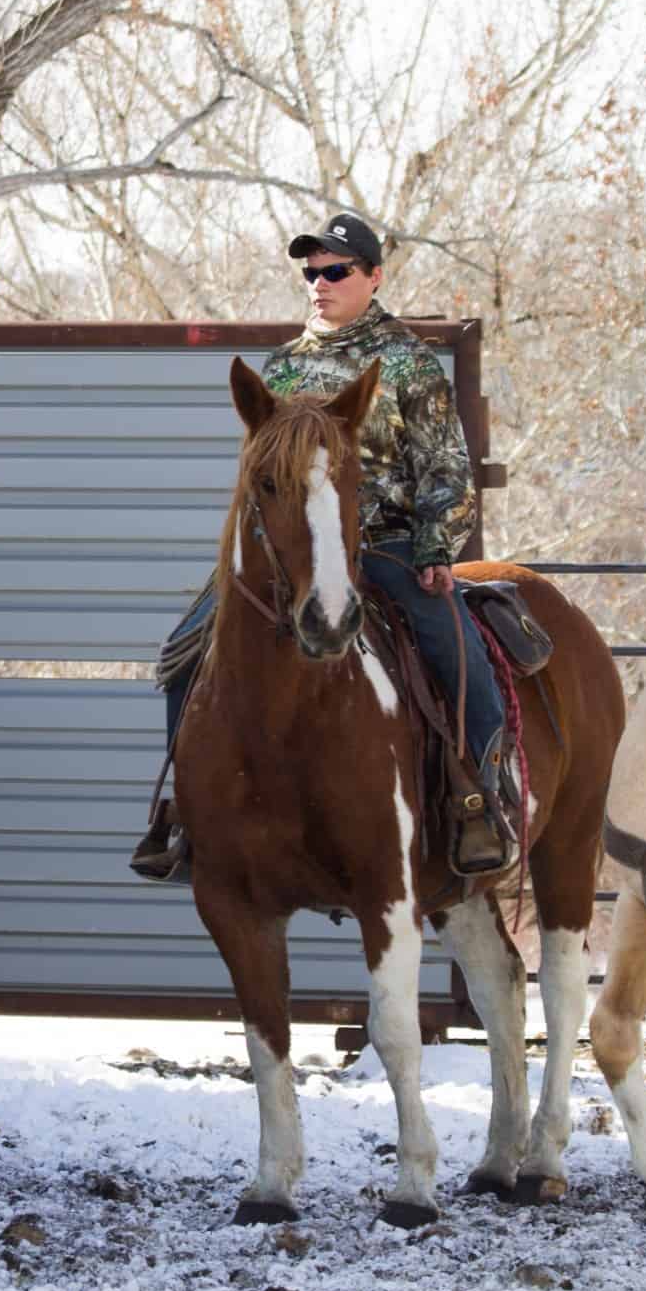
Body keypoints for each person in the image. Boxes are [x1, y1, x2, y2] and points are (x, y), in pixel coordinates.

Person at [130, 211, 513, 883]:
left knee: (457, 646)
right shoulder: (282, 369)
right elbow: (260, 481)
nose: (320, 282)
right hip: (290, 556)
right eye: (311, 271)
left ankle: (480, 793)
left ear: (373, 277)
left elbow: (447, 467)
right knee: (181, 651)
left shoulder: (407, 363)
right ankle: (186, 813)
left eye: (336, 270)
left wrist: (432, 547)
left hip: (387, 546)